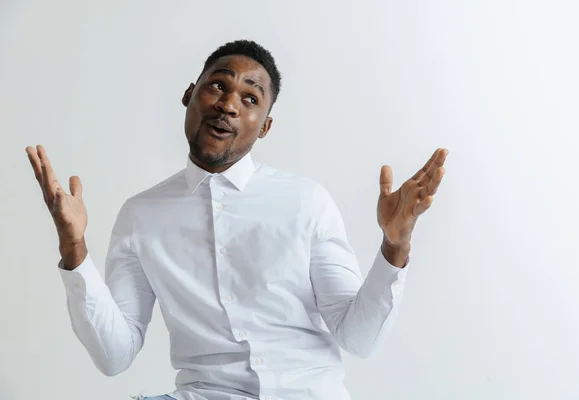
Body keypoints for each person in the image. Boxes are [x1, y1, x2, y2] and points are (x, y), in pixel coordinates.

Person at [25, 40, 448, 400]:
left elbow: (358, 338)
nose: (228, 104)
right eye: (217, 86)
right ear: (190, 94)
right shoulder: (141, 215)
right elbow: (114, 355)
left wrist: (395, 246)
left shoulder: (306, 202)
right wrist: (74, 249)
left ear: (264, 126)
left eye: (250, 98)